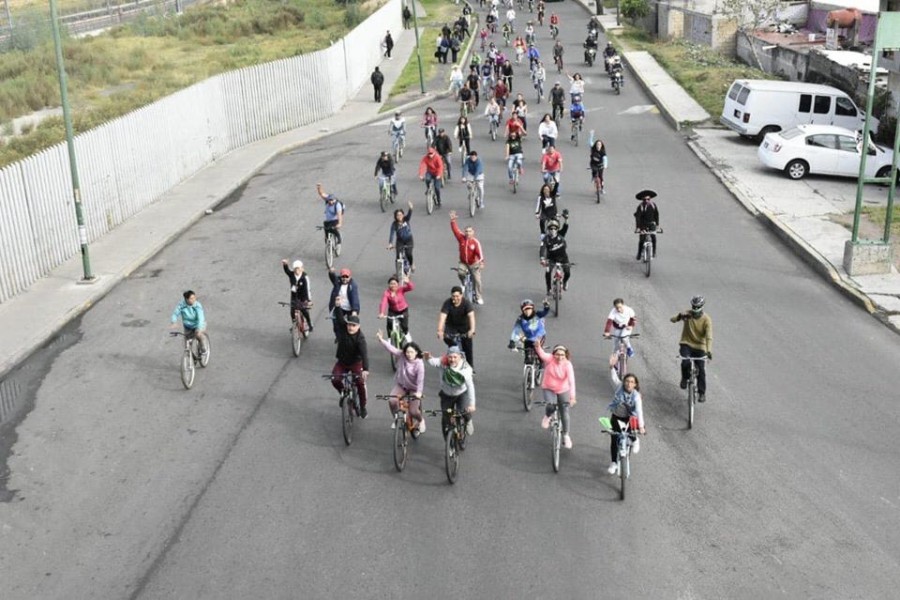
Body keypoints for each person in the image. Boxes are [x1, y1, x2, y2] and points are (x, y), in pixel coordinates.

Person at [377, 331, 426, 433]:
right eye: (407, 352)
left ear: (416, 352)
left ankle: (421, 421)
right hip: (402, 385)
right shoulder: (402, 355)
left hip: (414, 388)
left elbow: (420, 380)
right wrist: (381, 340)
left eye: (412, 352)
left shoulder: (419, 364)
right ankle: (396, 418)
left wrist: (419, 393)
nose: (409, 354)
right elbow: (391, 349)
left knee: (413, 411)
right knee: (392, 401)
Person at [605, 356, 646, 474]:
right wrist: (612, 366)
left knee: (632, 431)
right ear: (624, 382)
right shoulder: (619, 387)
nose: (629, 384)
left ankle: (635, 440)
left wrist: (642, 427)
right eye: (627, 381)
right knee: (614, 438)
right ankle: (613, 463)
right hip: (616, 416)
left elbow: (639, 411)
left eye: (632, 382)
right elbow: (614, 378)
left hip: (630, 417)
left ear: (635, 385)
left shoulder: (636, 396)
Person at [425, 345, 476, 437]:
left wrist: (472, 404)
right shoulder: (442, 362)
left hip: (461, 394)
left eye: (455, 357)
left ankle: (468, 420)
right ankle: (449, 445)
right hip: (446, 395)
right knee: (446, 417)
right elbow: (432, 362)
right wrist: (427, 357)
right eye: (450, 357)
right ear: (447, 356)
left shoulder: (465, 368)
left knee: (463, 411)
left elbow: (470, 386)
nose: (452, 359)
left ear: (460, 357)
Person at [671, 296, 713, 402]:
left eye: (697, 307)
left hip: (700, 347)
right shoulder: (687, 314)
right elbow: (672, 320)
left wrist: (709, 351)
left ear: (702, 307)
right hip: (686, 344)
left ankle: (701, 393)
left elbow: (709, 336)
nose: (695, 309)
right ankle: (685, 378)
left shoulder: (707, 320)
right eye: (693, 306)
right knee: (685, 362)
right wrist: (679, 316)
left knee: (701, 370)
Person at [536, 343, 576, 449]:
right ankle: (547, 416)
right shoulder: (549, 359)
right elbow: (541, 353)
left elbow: (571, 381)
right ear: (554, 354)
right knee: (551, 406)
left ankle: (566, 435)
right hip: (549, 388)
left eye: (562, 355)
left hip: (563, 389)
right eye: (557, 354)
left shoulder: (568, 365)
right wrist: (537, 346)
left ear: (565, 355)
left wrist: (572, 397)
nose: (560, 357)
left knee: (565, 412)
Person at [331, 315, 370, 419]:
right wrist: (338, 306)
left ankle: (362, 407)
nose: (350, 327)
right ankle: (343, 393)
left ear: (358, 327)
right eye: (349, 325)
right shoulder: (344, 328)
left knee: (360, 383)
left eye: (353, 325)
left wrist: (365, 369)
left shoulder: (360, 339)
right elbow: (339, 319)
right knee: (335, 379)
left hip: (355, 363)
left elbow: (364, 354)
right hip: (342, 361)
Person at [449, 210, 485, 304]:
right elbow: (455, 230)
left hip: (473, 264)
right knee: (460, 273)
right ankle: (463, 283)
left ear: (473, 232)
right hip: (463, 262)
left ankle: (478, 297)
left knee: (477, 280)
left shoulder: (475, 242)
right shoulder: (461, 238)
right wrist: (453, 221)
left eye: (470, 231)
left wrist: (481, 263)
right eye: (466, 231)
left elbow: (480, 254)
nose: (468, 233)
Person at [437, 286, 476, 368]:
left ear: (461, 295)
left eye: (457, 296)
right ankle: (450, 363)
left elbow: (471, 317)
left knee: (468, 349)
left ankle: (470, 367)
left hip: (464, 328)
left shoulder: (466, 303)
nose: (455, 298)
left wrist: (472, 330)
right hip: (451, 328)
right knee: (453, 347)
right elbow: (442, 317)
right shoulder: (447, 303)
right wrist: (440, 330)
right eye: (453, 296)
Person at [507, 298, 551, 366]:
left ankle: (541, 362)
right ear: (522, 310)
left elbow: (544, 312)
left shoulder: (537, 314)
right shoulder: (520, 319)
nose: (527, 311)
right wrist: (512, 341)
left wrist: (546, 306)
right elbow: (516, 330)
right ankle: (528, 361)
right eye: (525, 309)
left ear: (532, 308)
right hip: (529, 338)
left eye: (529, 309)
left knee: (538, 349)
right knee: (527, 349)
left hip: (540, 336)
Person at [170, 290, 209, 356]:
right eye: (191, 298)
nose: (194, 300)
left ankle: (204, 348)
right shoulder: (181, 305)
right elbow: (175, 314)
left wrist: (199, 329)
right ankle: (189, 358)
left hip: (198, 324)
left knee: (198, 335)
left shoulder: (197, 306)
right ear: (186, 299)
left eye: (194, 298)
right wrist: (174, 322)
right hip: (188, 326)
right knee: (187, 344)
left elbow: (201, 318)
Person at [540, 218, 571, 295]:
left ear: (557, 229)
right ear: (548, 229)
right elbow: (542, 249)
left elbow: (565, 227)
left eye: (555, 228)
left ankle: (564, 282)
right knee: (547, 271)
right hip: (551, 259)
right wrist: (542, 258)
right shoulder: (546, 239)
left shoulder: (561, 235)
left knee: (567, 272)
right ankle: (549, 288)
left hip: (563, 258)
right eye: (551, 228)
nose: (553, 230)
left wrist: (566, 219)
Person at [379, 274, 415, 340]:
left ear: (398, 284)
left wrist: (408, 282)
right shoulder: (387, 293)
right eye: (391, 284)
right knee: (389, 323)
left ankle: (408, 337)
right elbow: (383, 302)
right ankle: (389, 338)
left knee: (404, 326)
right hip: (393, 311)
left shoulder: (401, 290)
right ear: (389, 285)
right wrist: (382, 312)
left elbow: (411, 288)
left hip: (403, 310)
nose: (393, 285)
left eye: (394, 283)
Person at [281, 259, 312, 332]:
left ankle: (310, 324)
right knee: (292, 311)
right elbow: (287, 271)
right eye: (295, 269)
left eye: (298, 268)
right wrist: (285, 265)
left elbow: (308, 289)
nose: (297, 270)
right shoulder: (292, 275)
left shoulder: (305, 277)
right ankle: (294, 324)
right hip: (294, 296)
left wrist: (308, 300)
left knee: (304, 310)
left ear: (302, 268)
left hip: (303, 296)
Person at [328, 267, 360, 337]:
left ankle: (352, 337)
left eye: (346, 277)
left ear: (350, 277)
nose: (344, 278)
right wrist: (331, 272)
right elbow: (333, 278)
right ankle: (339, 337)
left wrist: (354, 310)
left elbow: (355, 298)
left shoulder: (353, 286)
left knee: (351, 324)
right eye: (343, 276)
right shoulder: (338, 282)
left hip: (349, 309)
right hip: (339, 307)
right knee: (336, 323)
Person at [388, 200, 415, 272]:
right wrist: (390, 243)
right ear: (395, 216)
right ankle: (398, 272)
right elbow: (392, 234)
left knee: (409, 253)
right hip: (400, 242)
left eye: (400, 215)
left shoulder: (406, 220)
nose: (399, 216)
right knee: (398, 257)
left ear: (403, 215)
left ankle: (412, 264)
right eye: (397, 215)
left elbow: (409, 214)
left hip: (409, 240)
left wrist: (410, 208)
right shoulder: (394, 224)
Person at [634, 189, 659, 259]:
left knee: (653, 237)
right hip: (643, 225)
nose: (646, 201)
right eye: (645, 200)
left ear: (650, 199)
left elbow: (656, 215)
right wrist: (638, 227)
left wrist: (657, 225)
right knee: (642, 239)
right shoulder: (640, 207)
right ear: (642, 200)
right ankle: (639, 253)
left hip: (652, 224)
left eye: (648, 199)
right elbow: (638, 217)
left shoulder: (653, 205)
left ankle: (653, 251)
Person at [316, 183, 344, 248]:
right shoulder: (327, 200)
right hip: (328, 221)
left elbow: (339, 215)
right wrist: (319, 188)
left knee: (333, 229)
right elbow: (321, 194)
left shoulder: (337, 205)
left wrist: (339, 223)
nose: (330, 202)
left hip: (335, 220)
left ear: (334, 200)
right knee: (326, 231)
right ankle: (328, 246)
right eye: (329, 200)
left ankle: (339, 240)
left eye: (332, 200)